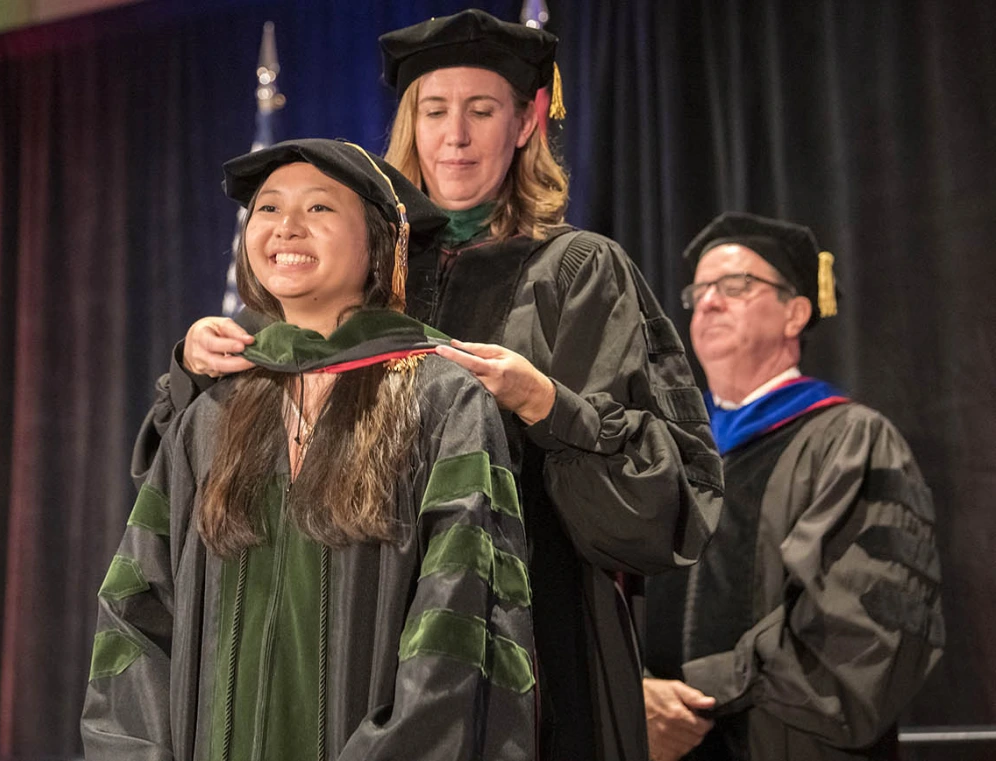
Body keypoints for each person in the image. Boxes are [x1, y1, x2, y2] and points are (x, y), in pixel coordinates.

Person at [135, 11, 724, 761]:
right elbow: (207, 490)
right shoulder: (359, 271)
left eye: (482, 111)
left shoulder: (577, 273)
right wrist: (194, 366)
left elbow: (671, 499)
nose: (455, 137)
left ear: (527, 121)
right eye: (435, 112)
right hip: (359, 646)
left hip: (539, 643)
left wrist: (547, 403)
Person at [84, 139, 538, 760]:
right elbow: (136, 614)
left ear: (381, 244)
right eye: (267, 209)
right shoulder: (212, 416)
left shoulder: (441, 399)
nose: (285, 228)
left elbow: (460, 621)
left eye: (319, 209)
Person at [642, 211, 944, 761]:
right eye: (700, 290)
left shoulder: (851, 441)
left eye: (735, 286)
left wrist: (692, 697)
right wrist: (636, 693)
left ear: (795, 313)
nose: (708, 302)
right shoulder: (669, 450)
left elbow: (859, 631)